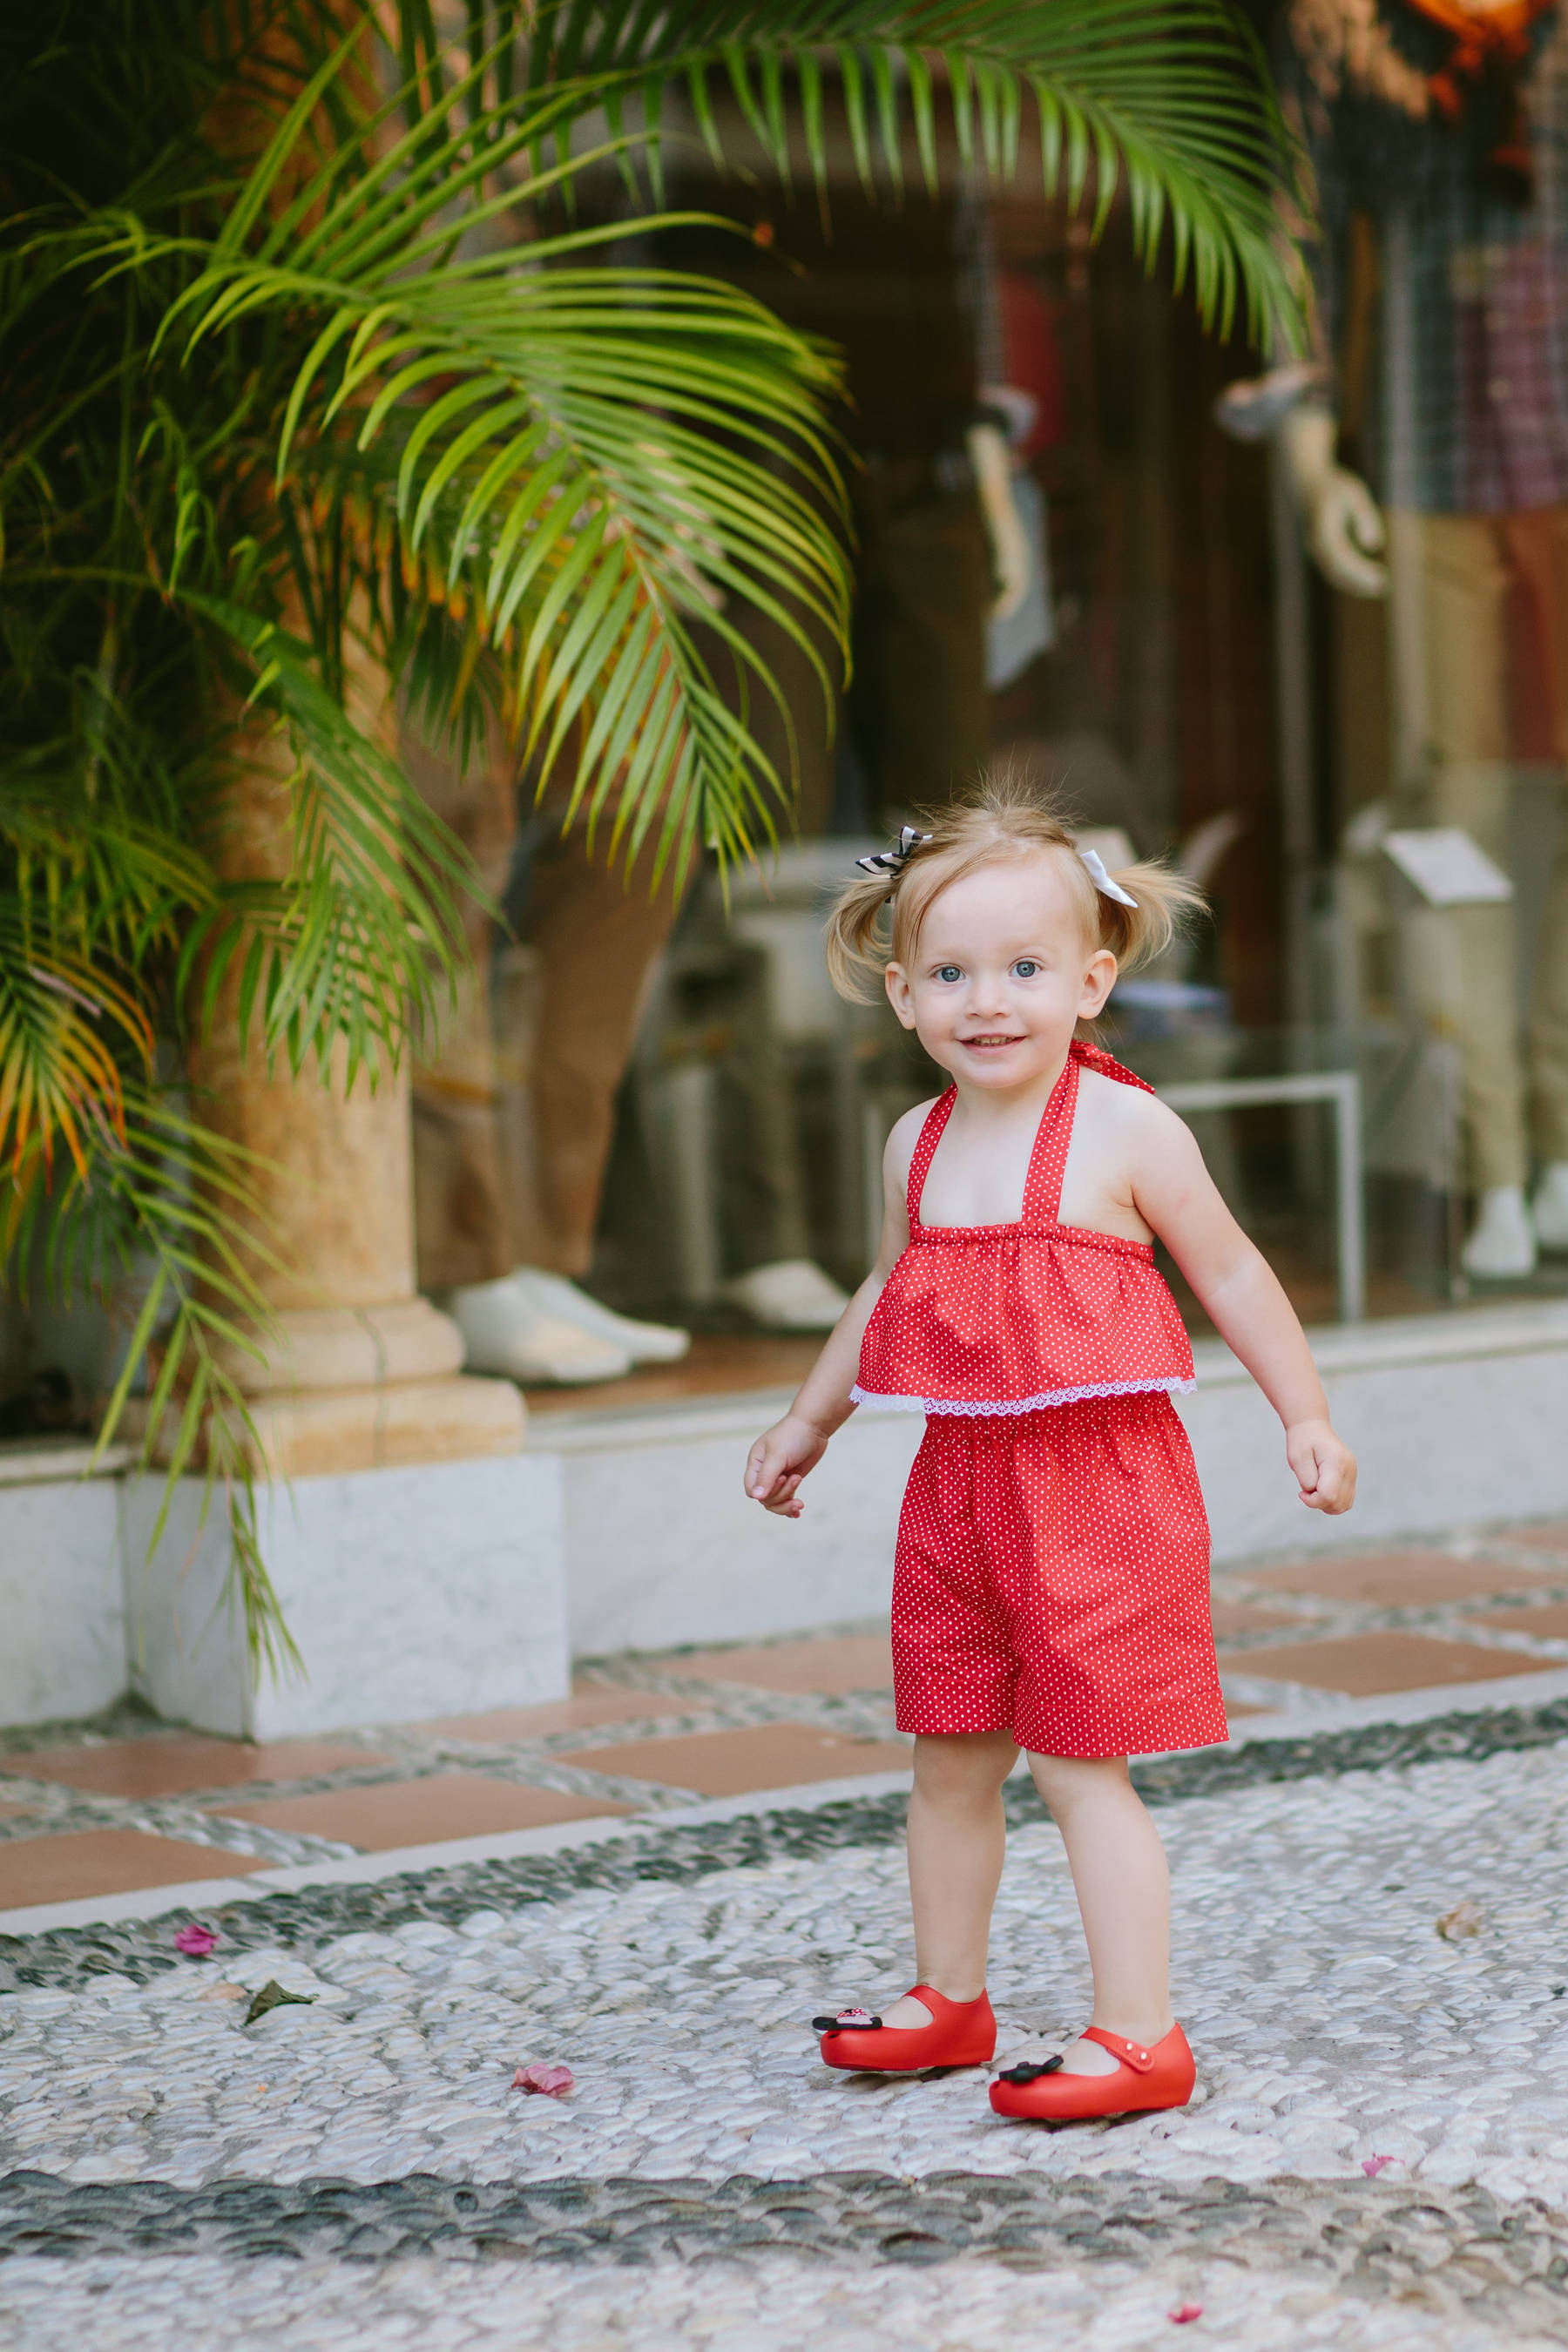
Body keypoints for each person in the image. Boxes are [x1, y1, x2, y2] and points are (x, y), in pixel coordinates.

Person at [742, 777, 1358, 2124]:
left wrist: (1302, 1413)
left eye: (1024, 968)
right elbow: (888, 1291)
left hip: (1101, 1488)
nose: (988, 1000)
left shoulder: (1130, 1131)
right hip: (957, 1488)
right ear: (901, 994)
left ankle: (1142, 2034)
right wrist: (809, 1418)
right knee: (950, 1750)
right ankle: (947, 1998)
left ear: (1091, 980)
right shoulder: (916, 1142)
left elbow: (1236, 1275)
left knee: (1082, 1764)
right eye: (951, 972)